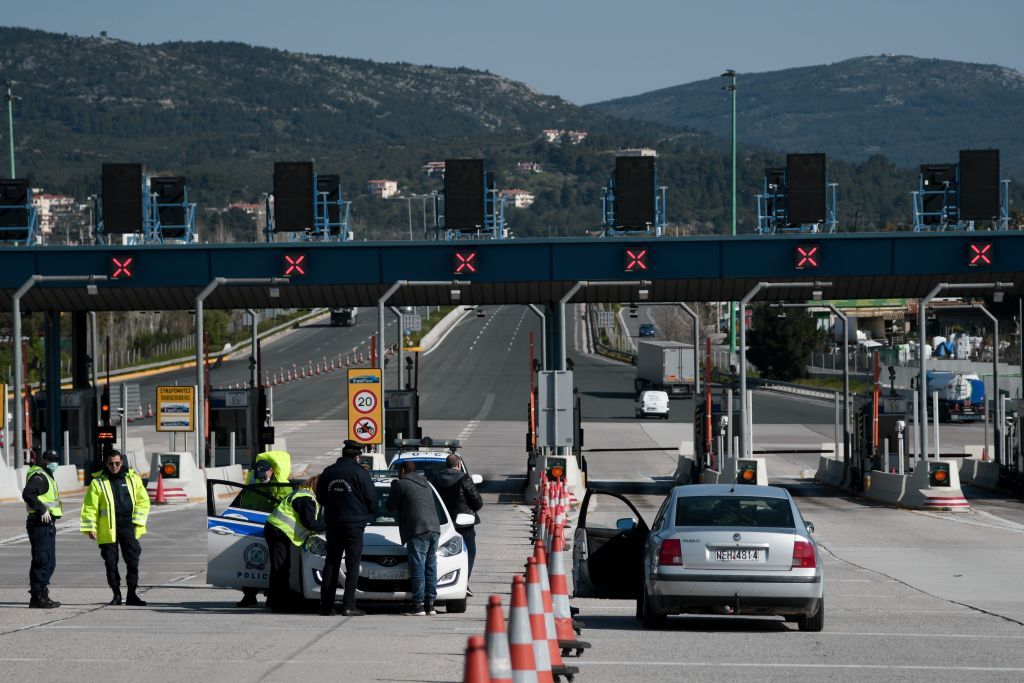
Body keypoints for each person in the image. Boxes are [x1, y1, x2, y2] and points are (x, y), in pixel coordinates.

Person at [80, 450, 150, 606]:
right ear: (106, 464)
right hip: (107, 529)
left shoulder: (133, 478)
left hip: (128, 527)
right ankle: (116, 594)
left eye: (117, 463)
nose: (114, 466)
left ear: (122, 462)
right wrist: (91, 527)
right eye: (111, 463)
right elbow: (90, 507)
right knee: (111, 562)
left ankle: (132, 594)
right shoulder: (97, 482)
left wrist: (137, 522)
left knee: (132, 561)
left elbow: (143, 501)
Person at [316, 440, 377, 617]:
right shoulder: (360, 472)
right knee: (352, 564)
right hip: (354, 524)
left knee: (331, 562)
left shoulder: (328, 471)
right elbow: (372, 498)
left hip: (333, 522)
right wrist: (367, 511)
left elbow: (320, 497)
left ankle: (326, 606)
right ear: (357, 457)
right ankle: (349, 605)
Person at [237, 450, 292, 608]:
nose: (261, 478)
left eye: (264, 475)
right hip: (254, 527)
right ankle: (249, 594)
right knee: (252, 562)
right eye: (259, 475)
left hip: (274, 529)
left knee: (273, 564)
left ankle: (272, 595)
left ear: (271, 471)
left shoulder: (282, 487)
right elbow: (244, 504)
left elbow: (286, 507)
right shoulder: (253, 485)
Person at [264, 476, 325, 613]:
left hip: (277, 530)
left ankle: (273, 600)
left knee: (279, 567)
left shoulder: (302, 493)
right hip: (280, 532)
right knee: (281, 569)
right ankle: (279, 605)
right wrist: (328, 524)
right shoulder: (307, 499)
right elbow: (309, 523)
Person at [387, 461, 440, 616]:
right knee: (431, 566)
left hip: (418, 529)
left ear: (403, 471)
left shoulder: (401, 484)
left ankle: (418, 605)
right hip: (434, 529)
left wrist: (394, 488)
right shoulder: (426, 483)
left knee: (418, 567)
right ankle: (430, 605)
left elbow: (390, 506)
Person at [434, 454, 483, 596]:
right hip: (463, 524)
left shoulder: (435, 480)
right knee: (470, 552)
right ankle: (463, 583)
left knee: (440, 554)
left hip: (441, 523)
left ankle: (439, 582)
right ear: (459, 465)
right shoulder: (464, 479)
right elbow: (477, 502)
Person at [23, 449, 63, 608]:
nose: (54, 463)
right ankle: (37, 596)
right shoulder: (39, 476)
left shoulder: (47, 475)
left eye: (56, 460)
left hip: (47, 524)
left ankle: (43, 593)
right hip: (39, 523)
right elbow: (28, 494)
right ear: (44, 460)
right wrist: (41, 509)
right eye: (51, 460)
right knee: (42, 559)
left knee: (49, 561)